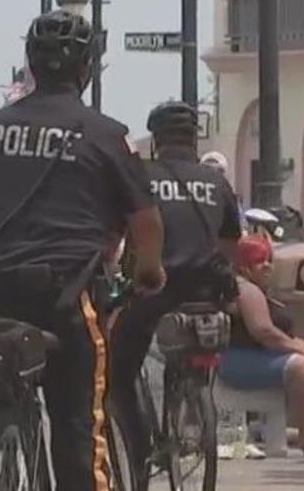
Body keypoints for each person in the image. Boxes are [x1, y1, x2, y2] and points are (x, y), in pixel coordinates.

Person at [0, 10, 166, 491]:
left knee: (5, 387)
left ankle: (6, 437)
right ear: (87, 68)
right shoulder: (105, 134)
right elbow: (144, 220)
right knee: (78, 426)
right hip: (67, 294)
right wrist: (149, 273)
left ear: (29, 62)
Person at [111, 101, 242, 477]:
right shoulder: (217, 183)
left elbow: (127, 235)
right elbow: (230, 242)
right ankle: (192, 402)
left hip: (155, 290)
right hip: (206, 294)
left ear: (157, 140)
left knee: (119, 374)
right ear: (194, 139)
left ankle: (140, 450)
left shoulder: (144, 177)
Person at [223, 235, 304, 457]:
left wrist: (299, 344)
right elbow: (263, 331)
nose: (267, 267)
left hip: (259, 356)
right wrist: (296, 347)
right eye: (259, 261)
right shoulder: (245, 289)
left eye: (268, 260)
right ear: (244, 266)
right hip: (237, 360)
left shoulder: (260, 290)